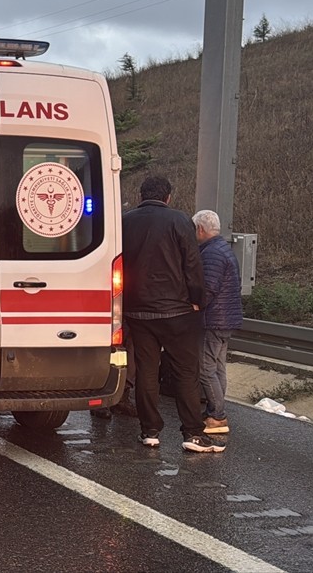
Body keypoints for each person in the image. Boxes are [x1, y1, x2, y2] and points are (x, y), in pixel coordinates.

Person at [122, 175, 224, 453]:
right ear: (168, 197)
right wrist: (197, 300)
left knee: (146, 372)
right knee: (185, 372)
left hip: (137, 310)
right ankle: (192, 433)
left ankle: (150, 431)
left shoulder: (125, 221)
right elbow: (192, 263)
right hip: (176, 311)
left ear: (142, 195)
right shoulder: (179, 221)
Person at [192, 209, 243, 435]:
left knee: (205, 369)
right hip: (226, 319)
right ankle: (216, 411)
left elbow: (209, 287)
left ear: (200, 229)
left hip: (214, 319)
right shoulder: (224, 249)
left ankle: (217, 417)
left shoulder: (211, 253)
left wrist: (196, 304)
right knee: (219, 368)